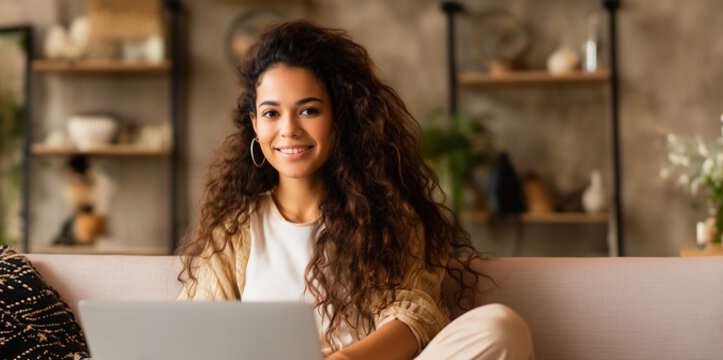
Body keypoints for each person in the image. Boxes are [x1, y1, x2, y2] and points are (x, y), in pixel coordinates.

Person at [177, 20, 534, 360]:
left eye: (308, 110)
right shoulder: (235, 229)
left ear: (339, 118)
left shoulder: (387, 215)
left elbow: (415, 316)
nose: (288, 129)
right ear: (255, 124)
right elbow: (194, 331)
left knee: (500, 327)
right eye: (271, 114)